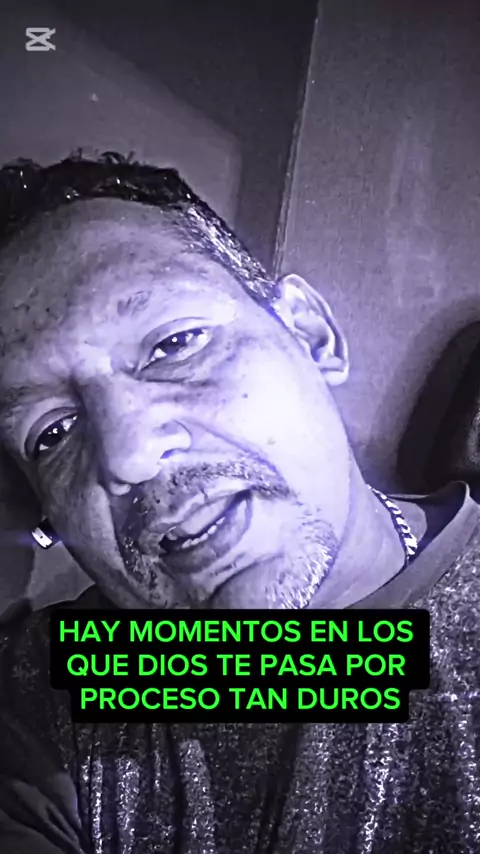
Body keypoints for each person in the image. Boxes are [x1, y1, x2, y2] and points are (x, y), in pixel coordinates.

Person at [0, 153, 478, 854]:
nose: (129, 456)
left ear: (310, 336)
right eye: (52, 432)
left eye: (175, 344)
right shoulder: (37, 699)